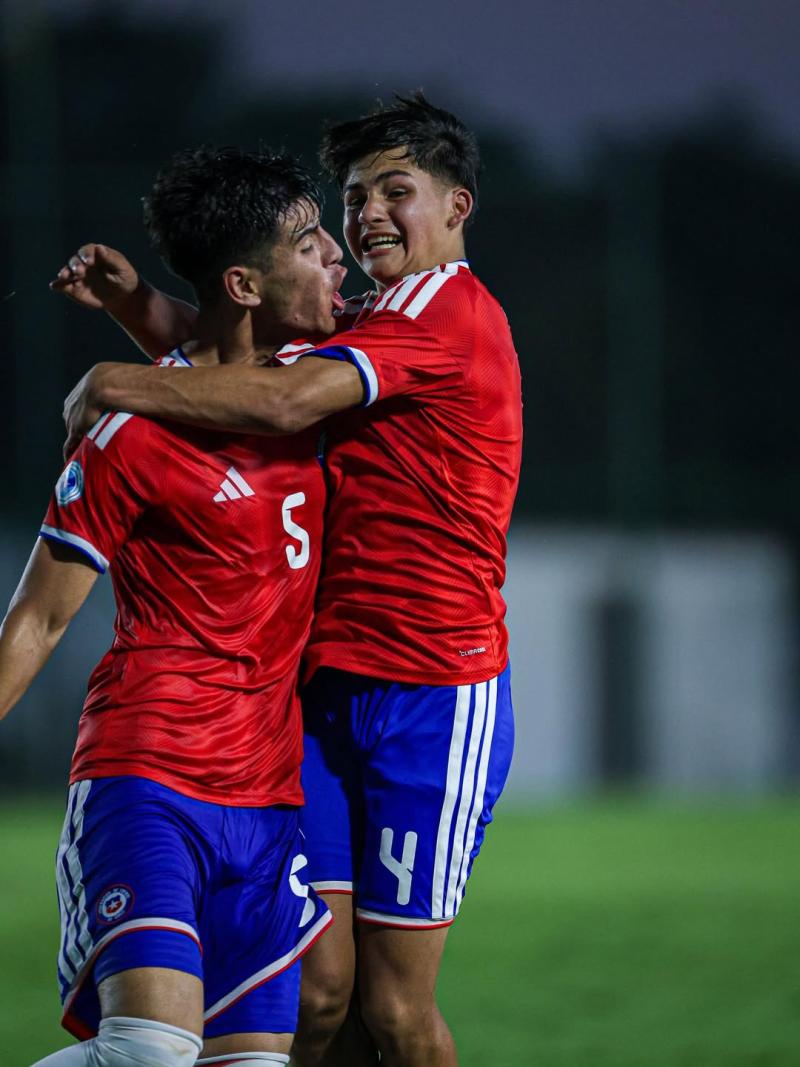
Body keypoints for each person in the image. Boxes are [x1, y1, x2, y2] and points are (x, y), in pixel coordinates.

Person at [55, 92, 522, 1067]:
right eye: (353, 196)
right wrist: (142, 308)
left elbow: (281, 398)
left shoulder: (446, 314)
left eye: (395, 190)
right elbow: (247, 350)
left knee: (393, 1007)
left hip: (432, 692)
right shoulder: (372, 317)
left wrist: (112, 379)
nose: (367, 215)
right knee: (317, 985)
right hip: (318, 693)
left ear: (458, 205)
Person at [1, 145, 351, 1067]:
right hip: (148, 776)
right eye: (309, 243)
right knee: (150, 1051)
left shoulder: (316, 389)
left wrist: (130, 312)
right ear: (244, 283)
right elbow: (38, 618)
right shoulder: (132, 434)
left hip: (269, 798)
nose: (336, 256)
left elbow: (230, 362)